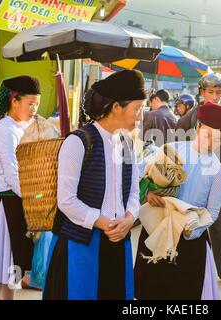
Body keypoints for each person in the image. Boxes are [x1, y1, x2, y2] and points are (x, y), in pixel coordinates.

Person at [43, 70, 145, 300]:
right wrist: (102, 222)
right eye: (137, 109)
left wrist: (130, 218)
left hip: (118, 239)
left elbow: (134, 191)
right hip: (82, 242)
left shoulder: (127, 143)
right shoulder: (78, 142)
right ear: (117, 107)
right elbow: (66, 200)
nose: (139, 117)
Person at [134, 102, 221, 299]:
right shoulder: (170, 149)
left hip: (190, 243)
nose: (211, 143)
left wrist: (194, 229)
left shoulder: (217, 172)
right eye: (208, 135)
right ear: (198, 128)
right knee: (149, 293)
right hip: (155, 231)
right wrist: (147, 194)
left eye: (218, 139)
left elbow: (213, 212)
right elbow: (137, 177)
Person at [176, 73, 221, 287]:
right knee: (185, 226)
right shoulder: (194, 115)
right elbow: (177, 135)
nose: (214, 96)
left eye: (218, 92)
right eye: (210, 92)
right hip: (191, 182)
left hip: (218, 180)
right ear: (202, 92)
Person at [0, 76, 41, 300]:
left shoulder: (24, 126)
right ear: (15, 101)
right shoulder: (6, 130)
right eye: (30, 103)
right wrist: (35, 199)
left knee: (13, 268)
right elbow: (13, 173)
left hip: (21, 201)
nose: (34, 108)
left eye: (37, 103)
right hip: (9, 204)